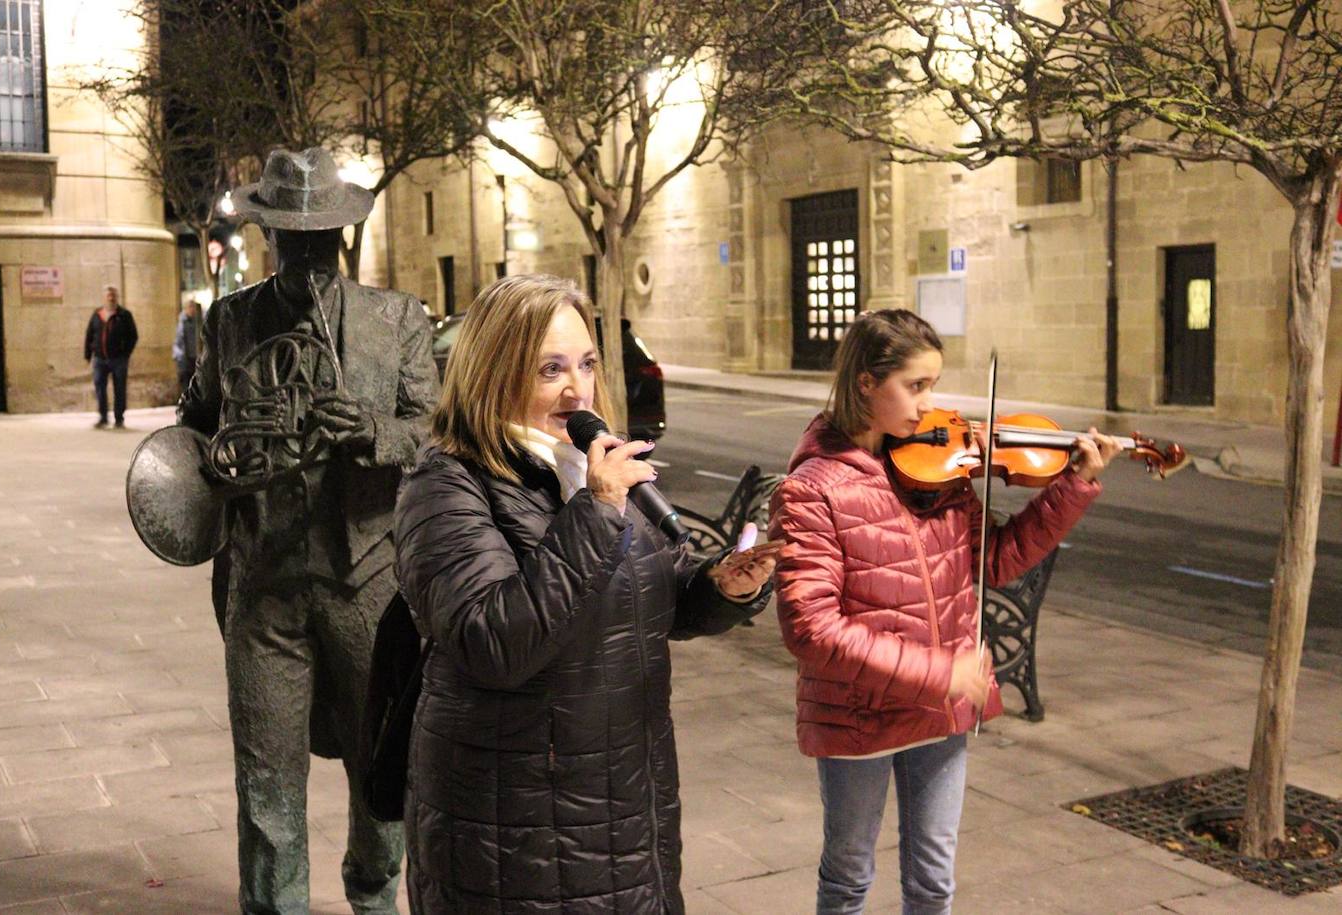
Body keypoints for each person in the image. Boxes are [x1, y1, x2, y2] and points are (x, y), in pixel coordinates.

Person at [394, 274, 781, 913]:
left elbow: (645, 601)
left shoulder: (585, 470)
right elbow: (493, 641)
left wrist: (720, 589)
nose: (579, 388)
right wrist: (598, 509)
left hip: (627, 799)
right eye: (551, 369)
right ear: (495, 373)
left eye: (588, 363)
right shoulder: (447, 486)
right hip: (517, 824)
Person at [769, 309, 1122, 915]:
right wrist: (942, 672)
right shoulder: (813, 488)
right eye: (916, 386)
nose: (929, 405)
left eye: (933, 385)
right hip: (860, 718)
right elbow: (810, 628)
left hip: (939, 714)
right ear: (865, 383)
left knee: (933, 883)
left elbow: (997, 560)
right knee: (849, 878)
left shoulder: (939, 471)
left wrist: (1074, 485)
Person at [178, 147, 439, 915]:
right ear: (270, 238)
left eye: (317, 238)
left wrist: (377, 433)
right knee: (265, 779)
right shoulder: (231, 319)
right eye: (291, 239)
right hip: (262, 587)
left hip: (368, 581)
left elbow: (437, 433)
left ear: (340, 237)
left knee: (380, 764)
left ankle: (373, 890)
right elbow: (195, 431)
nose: (305, 255)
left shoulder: (397, 320)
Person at [83, 284, 138, 429]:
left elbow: (133, 336)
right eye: (108, 296)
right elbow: (89, 335)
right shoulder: (97, 315)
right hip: (100, 359)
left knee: (120, 389)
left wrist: (125, 353)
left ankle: (119, 418)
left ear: (116, 298)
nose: (111, 298)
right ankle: (103, 417)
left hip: (118, 359)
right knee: (100, 388)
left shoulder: (124, 315)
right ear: (104, 298)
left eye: (113, 296)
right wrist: (88, 355)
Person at [172, 299, 200, 395]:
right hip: (184, 357)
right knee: (185, 381)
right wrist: (178, 355)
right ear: (186, 309)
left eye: (193, 308)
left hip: (195, 356)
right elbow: (178, 340)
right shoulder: (182, 322)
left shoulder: (198, 322)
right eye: (190, 307)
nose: (192, 310)